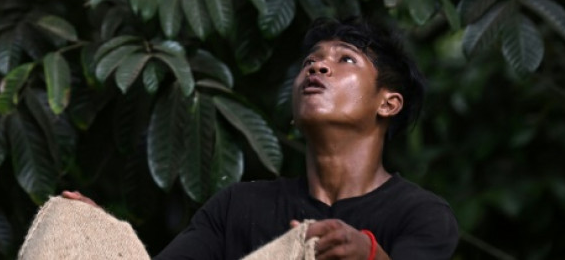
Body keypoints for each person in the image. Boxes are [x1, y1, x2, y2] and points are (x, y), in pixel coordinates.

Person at [60, 17, 458, 259]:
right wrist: (104, 237)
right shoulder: (237, 207)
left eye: (345, 59)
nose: (318, 66)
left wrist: (369, 255)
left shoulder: (421, 214)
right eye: (311, 61)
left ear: (388, 104)